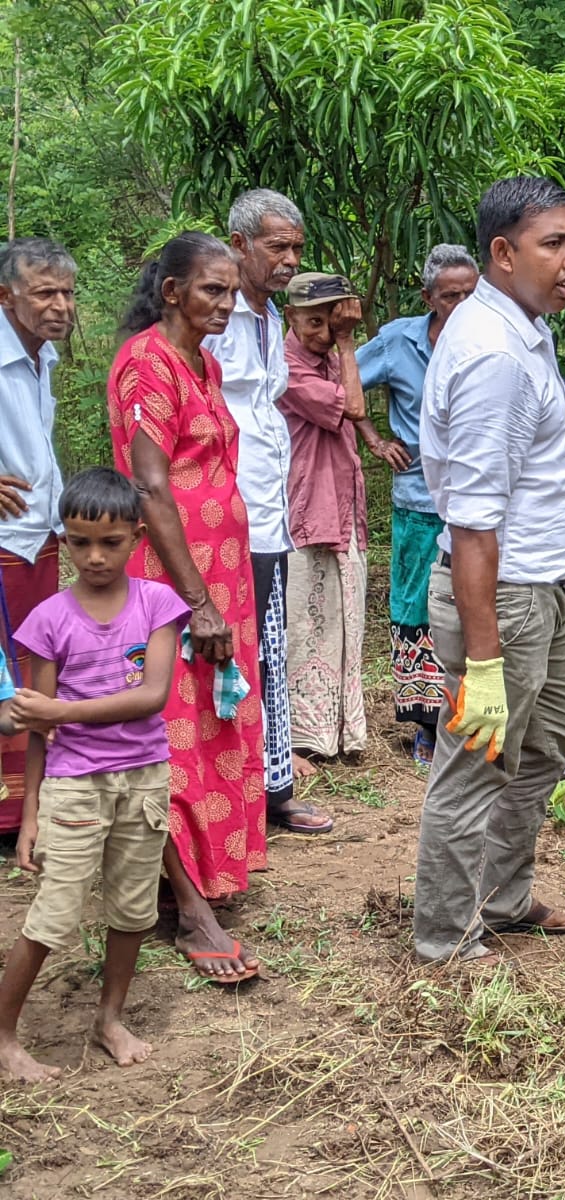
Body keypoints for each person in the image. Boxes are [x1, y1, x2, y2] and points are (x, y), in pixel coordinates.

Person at [412, 176, 565, 964]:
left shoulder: (521, 326)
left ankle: (503, 897)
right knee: (477, 766)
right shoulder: (493, 355)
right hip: (501, 598)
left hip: (537, 586)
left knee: (548, 743)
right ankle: (446, 937)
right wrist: (482, 661)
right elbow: (473, 521)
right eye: (554, 244)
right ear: (503, 251)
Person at [108, 231, 266, 984]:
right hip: (176, 584)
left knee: (209, 722)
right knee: (166, 734)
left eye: (232, 292)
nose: (226, 304)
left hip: (219, 579)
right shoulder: (146, 363)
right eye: (211, 290)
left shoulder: (202, 359)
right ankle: (187, 906)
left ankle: (197, 883)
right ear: (171, 290)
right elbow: (148, 487)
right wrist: (196, 602)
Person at [0, 469, 189, 1082]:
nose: (94, 556)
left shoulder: (158, 604)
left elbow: (153, 696)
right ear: (64, 539)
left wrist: (60, 712)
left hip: (143, 780)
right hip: (75, 786)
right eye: (79, 543)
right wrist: (29, 816)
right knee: (54, 913)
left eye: (109, 542)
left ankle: (109, 1018)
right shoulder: (51, 619)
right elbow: (38, 727)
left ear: (137, 537)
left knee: (132, 910)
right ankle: (4, 1035)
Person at [205, 188, 331, 831]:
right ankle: (235, 794)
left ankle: (270, 787)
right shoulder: (215, 321)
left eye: (297, 248)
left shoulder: (270, 318)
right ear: (240, 245)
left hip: (267, 512)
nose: (289, 260)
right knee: (231, 654)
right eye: (278, 246)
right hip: (224, 514)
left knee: (267, 650)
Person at [356, 243, 479, 767]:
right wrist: (373, 438)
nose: (461, 305)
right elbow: (342, 385)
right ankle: (425, 723)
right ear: (429, 297)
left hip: (475, 500)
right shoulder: (398, 340)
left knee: (471, 608)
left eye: (470, 294)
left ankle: (466, 716)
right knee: (415, 606)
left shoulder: (492, 338)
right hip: (418, 499)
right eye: (450, 296)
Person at [0, 238, 75, 831]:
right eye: (45, 292)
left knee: (33, 663)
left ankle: (25, 804)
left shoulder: (41, 356)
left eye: (67, 293)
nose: (61, 306)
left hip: (38, 536)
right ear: (7, 296)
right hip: (5, 539)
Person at [280, 273, 370, 767]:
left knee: (343, 621)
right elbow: (353, 407)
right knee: (306, 623)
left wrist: (342, 347)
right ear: (290, 317)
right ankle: (302, 735)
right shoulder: (289, 366)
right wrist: (348, 340)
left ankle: (339, 732)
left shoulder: (332, 358)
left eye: (330, 321)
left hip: (341, 505)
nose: (322, 332)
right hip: (306, 507)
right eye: (313, 321)